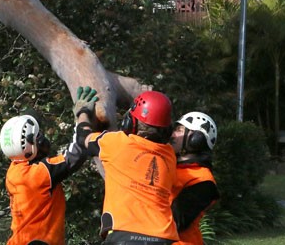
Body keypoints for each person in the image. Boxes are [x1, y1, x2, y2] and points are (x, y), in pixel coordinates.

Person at [0, 86, 99, 245]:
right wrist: (82, 116)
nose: (43, 138)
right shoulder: (37, 175)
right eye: (39, 136)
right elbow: (74, 155)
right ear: (31, 145)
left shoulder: (15, 170)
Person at [79, 90, 180, 244]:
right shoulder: (170, 156)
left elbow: (83, 139)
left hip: (124, 235)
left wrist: (83, 112)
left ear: (130, 122)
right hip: (163, 238)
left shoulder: (117, 142)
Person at [169, 112, 220, 245]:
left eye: (179, 130)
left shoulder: (204, 181)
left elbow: (177, 220)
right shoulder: (169, 165)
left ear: (196, 139)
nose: (173, 134)